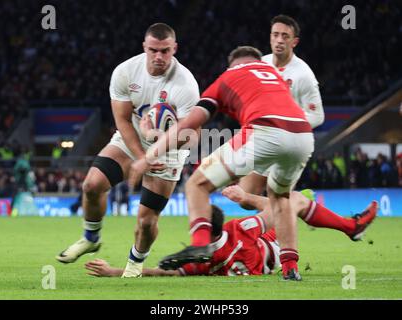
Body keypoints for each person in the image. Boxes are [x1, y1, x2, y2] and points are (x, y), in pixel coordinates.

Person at [131, 46, 314, 280]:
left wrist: (148, 155)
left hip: (265, 130)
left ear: (232, 66)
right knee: (280, 198)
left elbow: (189, 125)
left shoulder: (229, 77)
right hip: (303, 136)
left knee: (196, 185)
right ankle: (290, 269)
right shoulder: (275, 77)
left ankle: (200, 244)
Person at [55, 23, 200, 279]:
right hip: (130, 140)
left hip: (168, 150)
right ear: (144, 47)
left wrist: (154, 146)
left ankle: (134, 263)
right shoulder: (125, 72)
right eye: (153, 50)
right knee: (91, 185)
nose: (159, 56)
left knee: (146, 221)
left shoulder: (186, 84)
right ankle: (91, 237)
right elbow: (122, 120)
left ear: (174, 48)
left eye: (165, 51)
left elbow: (192, 136)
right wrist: (142, 156)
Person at [85, 192, 378, 277]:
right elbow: (276, 211)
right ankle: (350, 227)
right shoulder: (238, 228)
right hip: (269, 247)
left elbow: (162, 275)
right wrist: (246, 197)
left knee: (288, 201)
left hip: (253, 264)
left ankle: (337, 220)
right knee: (290, 200)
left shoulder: (196, 262)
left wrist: (114, 271)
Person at [239, 15, 324, 201]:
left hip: (290, 145)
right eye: (275, 34)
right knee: (245, 196)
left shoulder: (303, 75)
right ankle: (302, 201)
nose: (279, 40)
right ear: (270, 37)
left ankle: (293, 205)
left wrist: (287, 125)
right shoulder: (261, 63)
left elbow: (318, 116)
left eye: (285, 36)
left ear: (294, 42)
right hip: (264, 140)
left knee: (276, 200)